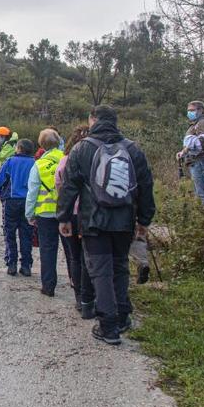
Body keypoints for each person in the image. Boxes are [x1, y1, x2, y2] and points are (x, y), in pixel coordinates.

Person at [58, 105, 156, 345]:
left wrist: (63, 217)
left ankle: (108, 325)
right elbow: (145, 187)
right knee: (119, 266)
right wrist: (144, 220)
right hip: (124, 221)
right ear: (115, 121)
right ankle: (122, 316)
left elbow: (69, 186)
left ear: (92, 120)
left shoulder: (82, 149)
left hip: (93, 221)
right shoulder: (133, 149)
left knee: (100, 270)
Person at [55, 125, 95, 318]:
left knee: (74, 255)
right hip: (89, 213)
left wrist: (63, 213)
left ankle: (79, 295)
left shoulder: (64, 161)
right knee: (89, 254)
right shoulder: (95, 157)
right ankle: (91, 295)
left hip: (70, 213)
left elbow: (60, 187)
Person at [26, 129, 64, 297]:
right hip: (66, 213)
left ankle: (48, 287)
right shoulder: (66, 160)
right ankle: (77, 285)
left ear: (41, 145)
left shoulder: (39, 164)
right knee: (72, 252)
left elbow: (32, 192)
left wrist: (29, 214)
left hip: (45, 215)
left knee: (48, 250)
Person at [0, 139, 36, 276]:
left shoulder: (10, 162)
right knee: (26, 234)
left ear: (19, 149)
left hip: (11, 201)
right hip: (28, 202)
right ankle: (26, 265)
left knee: (9, 233)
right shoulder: (35, 163)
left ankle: (11, 264)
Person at [179, 100, 204, 204]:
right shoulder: (195, 124)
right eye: (188, 110)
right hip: (197, 162)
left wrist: (187, 148)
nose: (189, 113)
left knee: (203, 194)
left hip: (202, 161)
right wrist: (183, 151)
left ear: (201, 110)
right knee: (200, 192)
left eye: (192, 110)